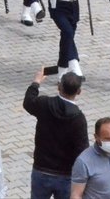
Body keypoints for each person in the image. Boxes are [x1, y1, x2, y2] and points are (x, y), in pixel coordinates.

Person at [24, 71, 87, 199]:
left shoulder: (44, 103)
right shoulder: (78, 118)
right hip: (66, 175)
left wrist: (36, 82)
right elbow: (82, 151)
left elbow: (28, 102)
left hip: (41, 169)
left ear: (59, 87)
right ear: (79, 91)